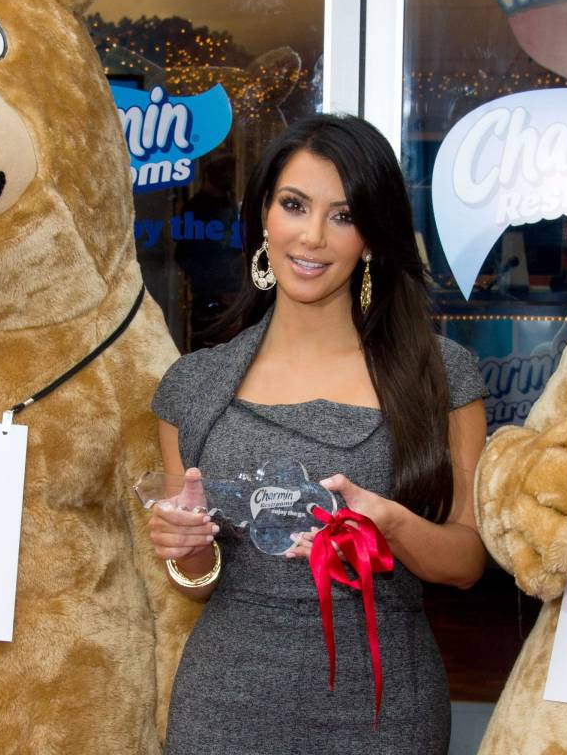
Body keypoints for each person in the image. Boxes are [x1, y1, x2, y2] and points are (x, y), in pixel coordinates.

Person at [146, 114, 488, 752]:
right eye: (294, 205)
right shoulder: (193, 385)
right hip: (224, 709)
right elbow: (199, 578)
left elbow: (467, 563)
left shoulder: (440, 376)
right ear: (264, 217)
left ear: (372, 236)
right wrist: (185, 548)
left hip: (387, 710)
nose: (312, 236)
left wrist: (391, 525)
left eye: (343, 215)